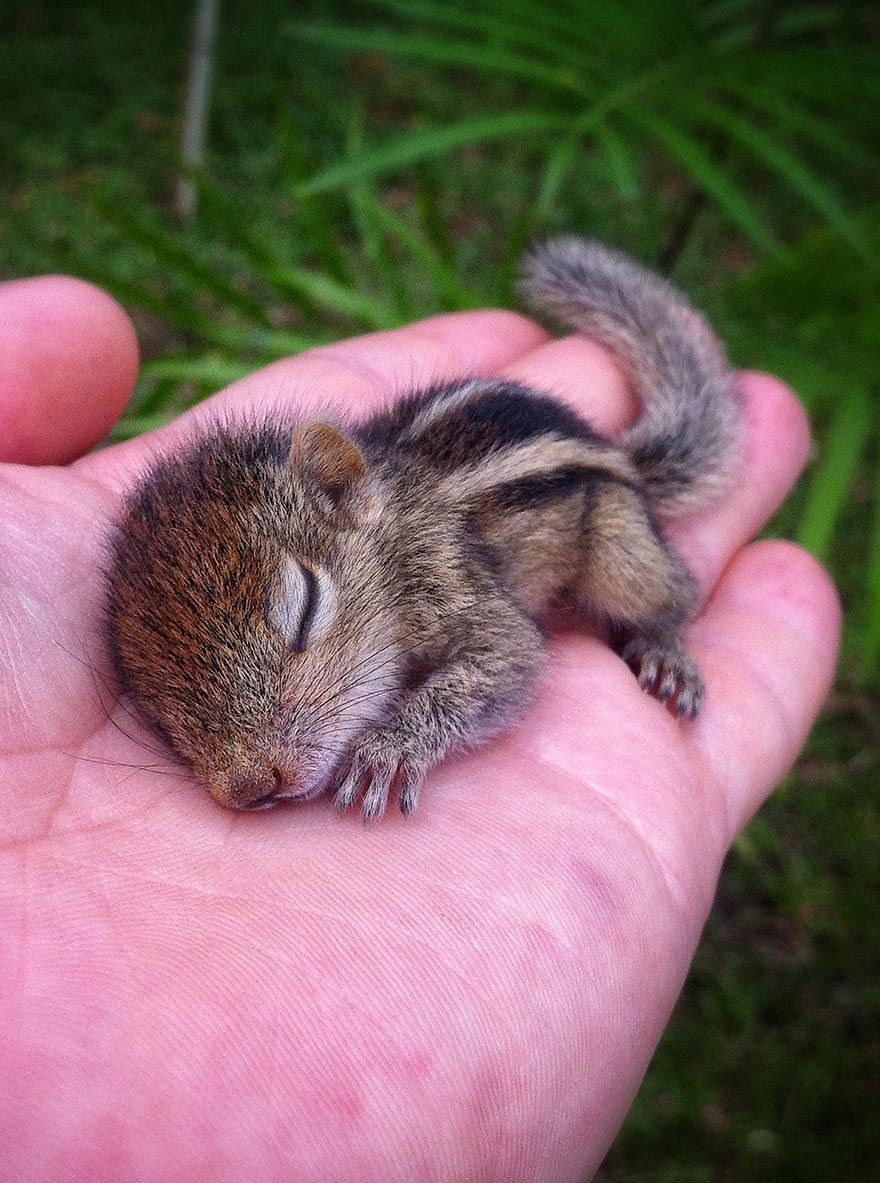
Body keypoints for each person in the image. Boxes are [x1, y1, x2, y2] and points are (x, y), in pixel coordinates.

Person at [0, 275, 839, 1181]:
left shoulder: (421, 554)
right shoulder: (269, 660)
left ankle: (661, 624)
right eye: (176, 720)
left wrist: (414, 733)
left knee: (632, 579)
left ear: (341, 492)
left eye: (300, 617)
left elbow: (508, 656)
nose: (242, 774)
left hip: (584, 507)